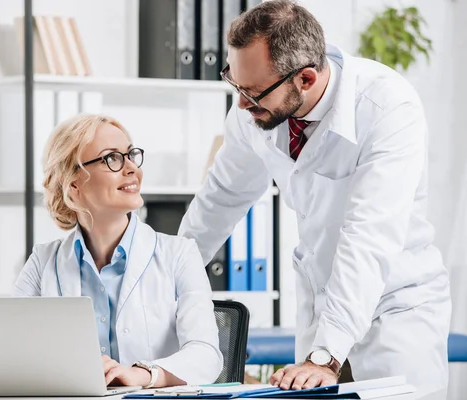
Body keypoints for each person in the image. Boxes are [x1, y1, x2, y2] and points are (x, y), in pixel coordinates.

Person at [178, 0, 451, 396]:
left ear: (305, 79)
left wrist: (326, 355)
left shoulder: (386, 107)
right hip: (319, 308)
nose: (240, 103)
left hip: (393, 311)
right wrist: (169, 280)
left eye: (251, 92)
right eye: (233, 82)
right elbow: (221, 197)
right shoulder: (254, 107)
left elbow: (368, 236)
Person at [13, 114, 223, 388]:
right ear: (73, 183)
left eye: (131, 155)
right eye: (112, 158)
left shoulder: (179, 254)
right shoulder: (43, 262)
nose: (132, 168)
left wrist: (143, 374)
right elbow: (13, 351)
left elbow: (206, 356)